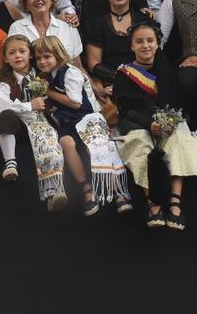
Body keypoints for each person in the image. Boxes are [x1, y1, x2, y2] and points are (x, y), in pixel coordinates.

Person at [113, 21, 197, 230]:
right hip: (136, 122)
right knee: (141, 147)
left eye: (150, 40)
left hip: (166, 122)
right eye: (139, 41)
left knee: (181, 141)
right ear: (132, 46)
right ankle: (152, 204)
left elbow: (175, 101)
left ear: (157, 43)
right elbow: (126, 108)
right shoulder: (124, 74)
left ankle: (175, 202)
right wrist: (149, 124)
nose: (145, 45)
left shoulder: (167, 70)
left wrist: (168, 122)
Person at [34, 35, 130, 215]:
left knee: (93, 147)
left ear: (58, 55)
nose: (42, 61)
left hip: (87, 117)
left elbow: (75, 103)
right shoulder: (47, 77)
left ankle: (117, 191)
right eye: (38, 58)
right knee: (66, 143)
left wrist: (48, 91)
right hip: (68, 122)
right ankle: (86, 187)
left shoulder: (70, 72)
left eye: (46, 56)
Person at [0, 34, 66, 209]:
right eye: (12, 53)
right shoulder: (6, 81)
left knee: (48, 142)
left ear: (30, 54)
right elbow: (1, 108)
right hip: (19, 126)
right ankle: (10, 163)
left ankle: (53, 191)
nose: (17, 56)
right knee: (5, 116)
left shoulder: (43, 76)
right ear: (5, 58)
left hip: (43, 122)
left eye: (22, 51)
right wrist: (29, 105)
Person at [83, 0, 151, 97]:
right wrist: (123, 79)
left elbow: (152, 58)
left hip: (144, 80)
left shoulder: (144, 21)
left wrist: (137, 79)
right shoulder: (96, 23)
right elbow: (93, 64)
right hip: (108, 82)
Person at [8, 0, 84, 63]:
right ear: (26, 4)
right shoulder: (17, 28)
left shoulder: (68, 26)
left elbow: (77, 65)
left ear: (51, 0)